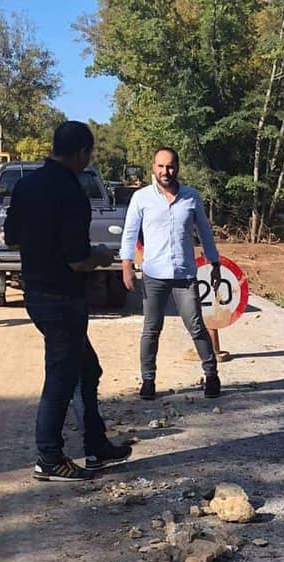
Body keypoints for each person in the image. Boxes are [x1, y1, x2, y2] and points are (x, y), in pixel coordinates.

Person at [4, 121, 132, 481]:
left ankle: (96, 445)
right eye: (88, 153)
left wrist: (40, 245)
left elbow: (10, 237)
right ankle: (49, 457)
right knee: (61, 377)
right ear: (81, 153)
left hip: (36, 293)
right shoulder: (71, 192)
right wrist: (102, 255)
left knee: (86, 369)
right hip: (63, 298)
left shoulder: (26, 185)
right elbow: (78, 259)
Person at [120, 147, 222, 400]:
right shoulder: (141, 198)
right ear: (153, 168)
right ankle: (148, 380)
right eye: (161, 166)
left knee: (196, 325)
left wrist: (214, 262)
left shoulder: (191, 197)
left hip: (185, 274)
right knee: (151, 328)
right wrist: (127, 266)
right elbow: (130, 233)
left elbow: (204, 233)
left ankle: (211, 375)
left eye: (171, 166)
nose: (166, 172)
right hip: (154, 274)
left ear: (178, 167)